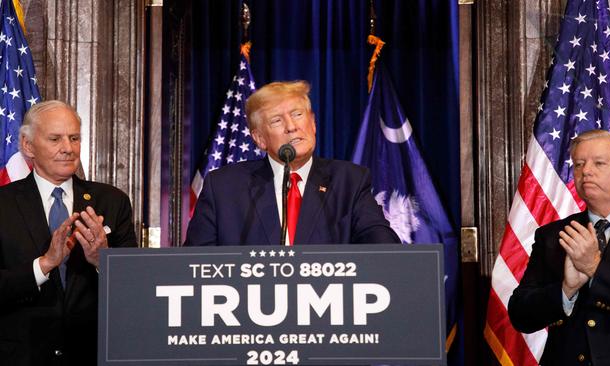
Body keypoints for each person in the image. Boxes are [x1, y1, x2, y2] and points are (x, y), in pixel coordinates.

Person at [0, 100, 137, 365]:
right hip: (20, 355)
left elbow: (134, 286)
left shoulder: (111, 201)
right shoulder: (3, 204)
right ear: (28, 146)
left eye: (74, 138)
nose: (68, 148)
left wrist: (103, 260)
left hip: (93, 354)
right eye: (55, 139)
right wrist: (43, 265)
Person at [185, 80, 399, 246]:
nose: (291, 126)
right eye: (277, 120)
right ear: (259, 138)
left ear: (313, 123)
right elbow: (193, 265)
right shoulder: (224, 187)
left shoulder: (349, 181)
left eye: (297, 114)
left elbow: (384, 250)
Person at [508, 130, 610, 364]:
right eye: (578, 164)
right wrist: (565, 291)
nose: (586, 172)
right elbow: (520, 315)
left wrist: (596, 268)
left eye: (599, 163)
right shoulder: (554, 235)